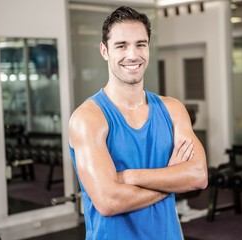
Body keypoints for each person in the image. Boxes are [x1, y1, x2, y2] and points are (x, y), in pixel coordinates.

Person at [69, 6, 208, 240]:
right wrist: (171, 178)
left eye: (140, 44)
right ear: (104, 50)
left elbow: (198, 176)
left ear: (148, 48)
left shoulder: (172, 109)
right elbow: (109, 201)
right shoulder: (88, 118)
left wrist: (129, 177)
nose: (133, 55)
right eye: (121, 45)